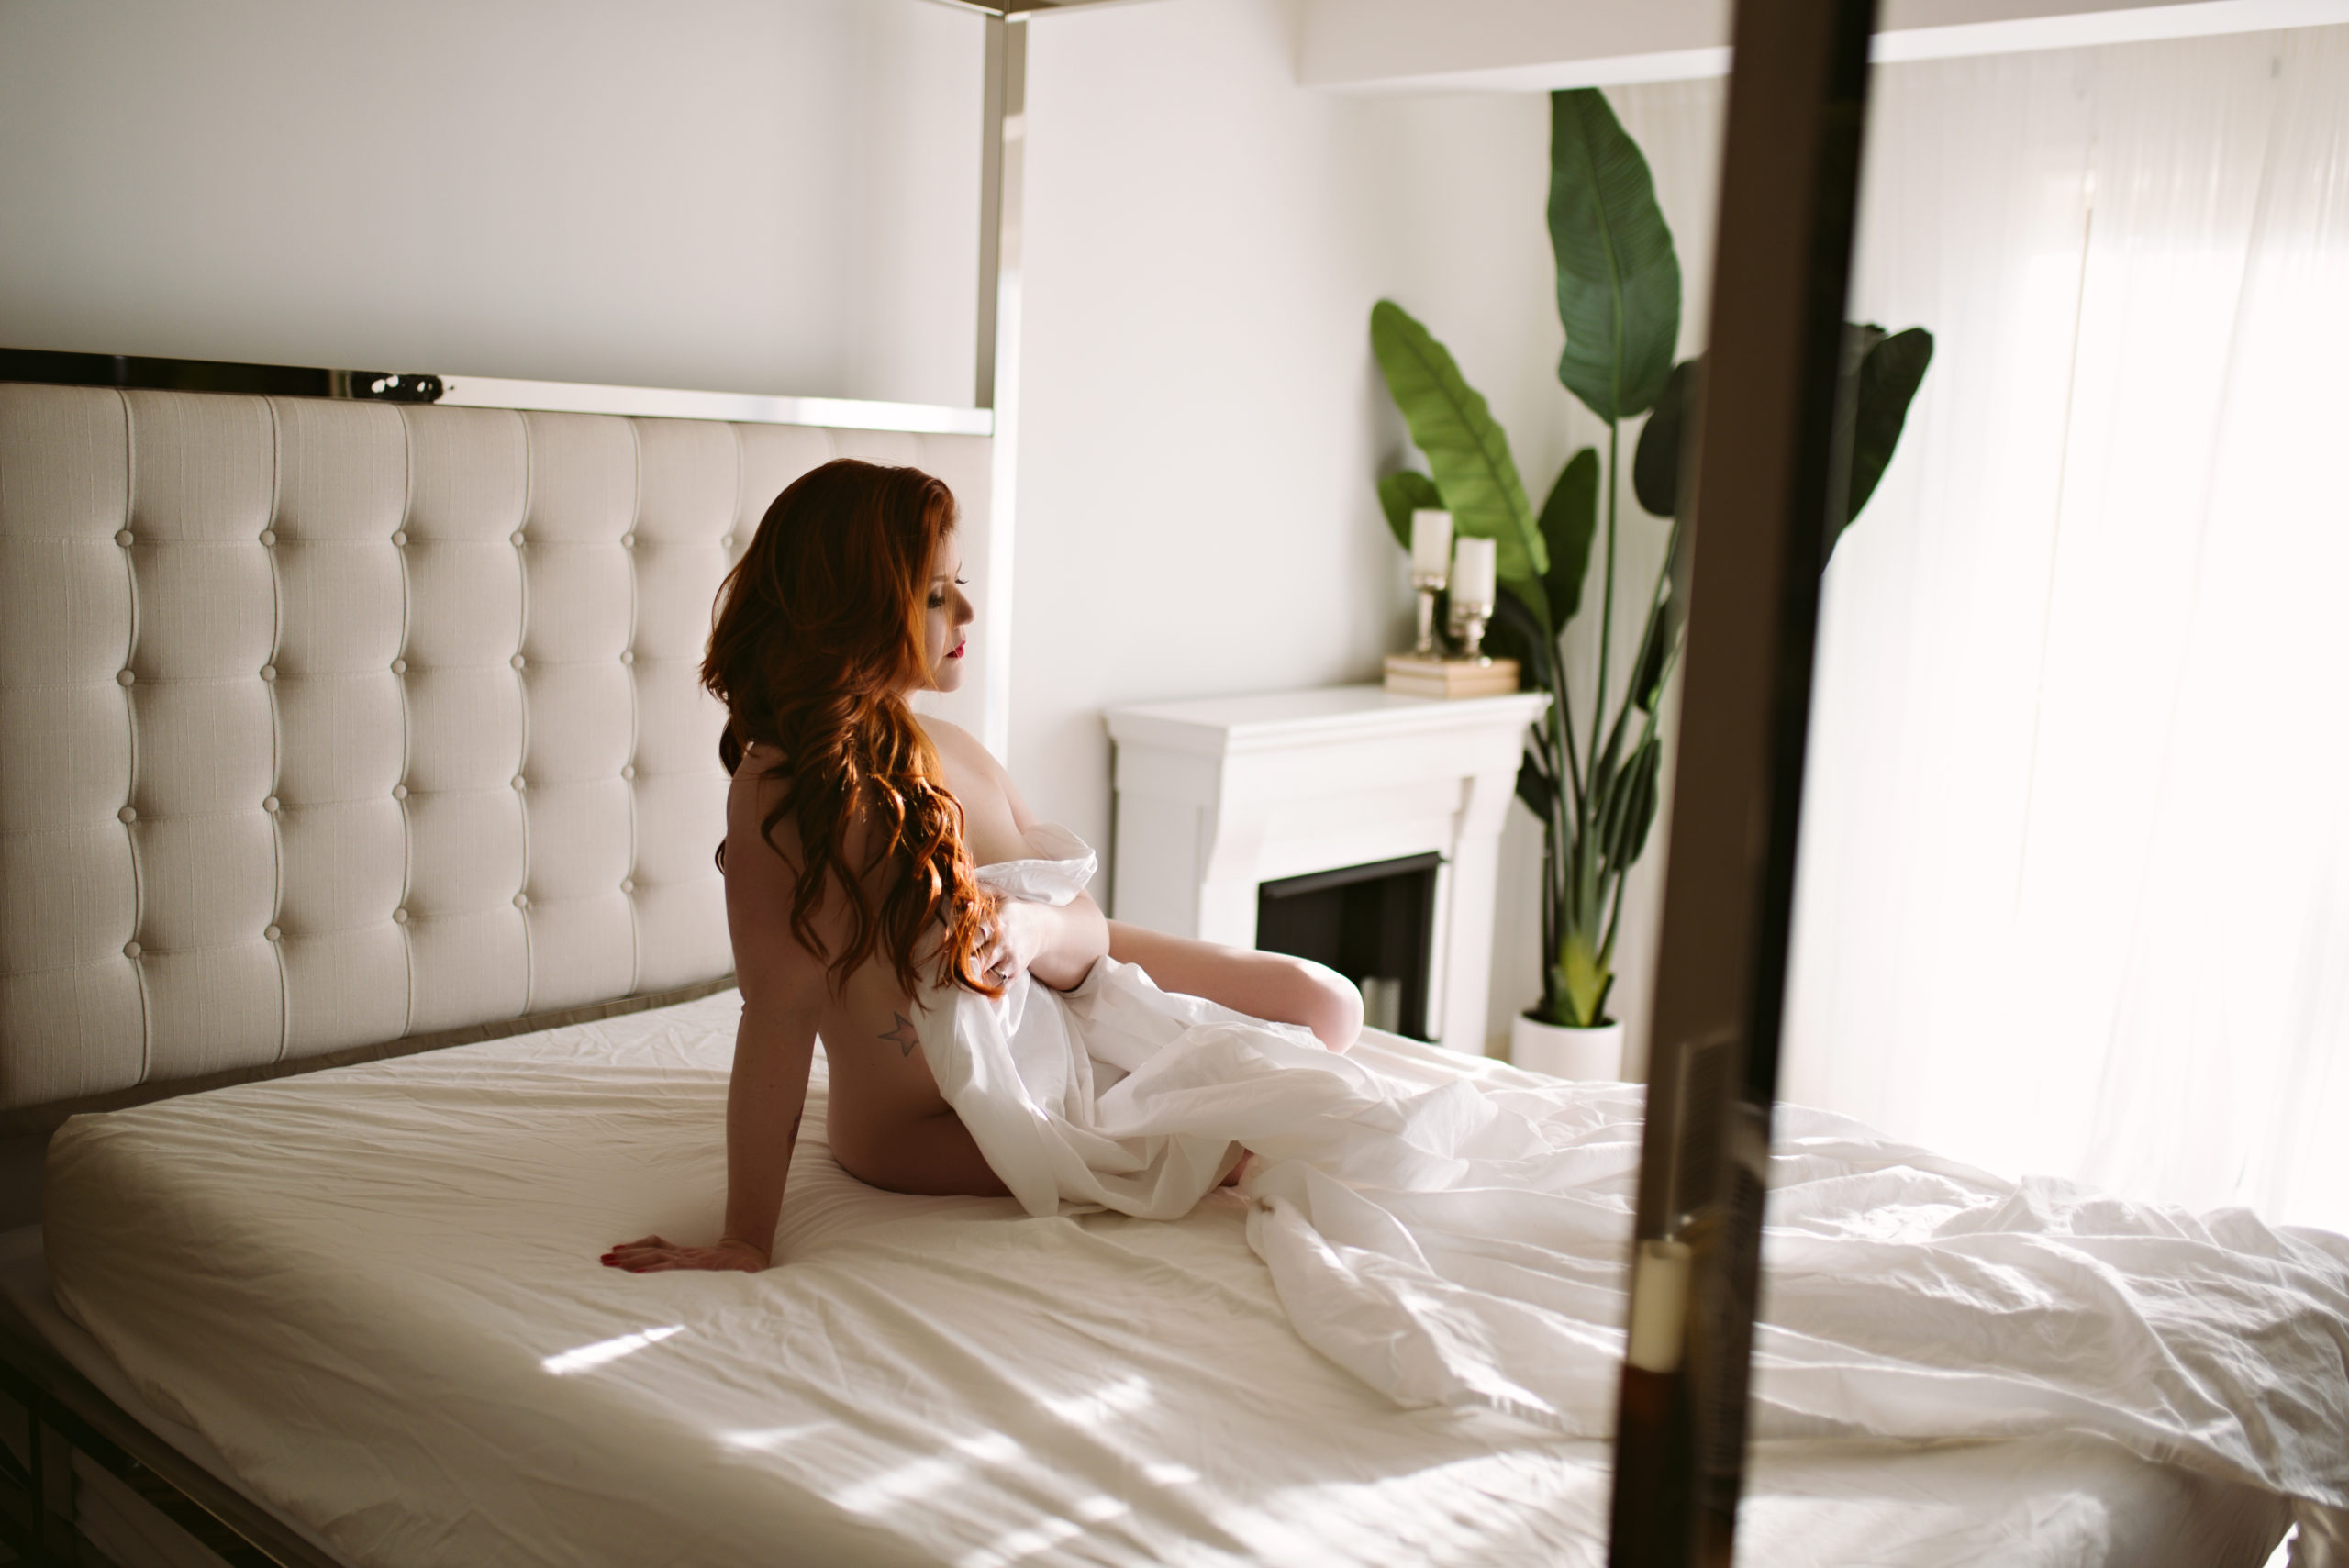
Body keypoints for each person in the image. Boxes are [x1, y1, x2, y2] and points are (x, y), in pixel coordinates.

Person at [603, 461, 1361, 1274]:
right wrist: (745, 1236)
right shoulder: (785, 795)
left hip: (1054, 1007)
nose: (965, 608)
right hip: (922, 1125)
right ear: (852, 612)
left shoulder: (957, 750)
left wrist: (1032, 929)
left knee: (1325, 1005)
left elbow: (1086, 929)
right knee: (1240, 1130)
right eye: (933, 594)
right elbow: (775, 1020)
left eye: (956, 582)